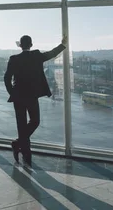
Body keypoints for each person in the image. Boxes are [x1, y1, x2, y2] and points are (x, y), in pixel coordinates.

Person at [4, 34, 68, 165]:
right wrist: (63, 44)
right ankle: (21, 149)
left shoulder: (13, 59)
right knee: (35, 121)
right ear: (31, 45)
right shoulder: (37, 55)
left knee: (21, 126)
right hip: (32, 96)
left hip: (18, 97)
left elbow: (7, 78)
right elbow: (52, 53)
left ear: (20, 45)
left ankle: (22, 150)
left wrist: (13, 93)